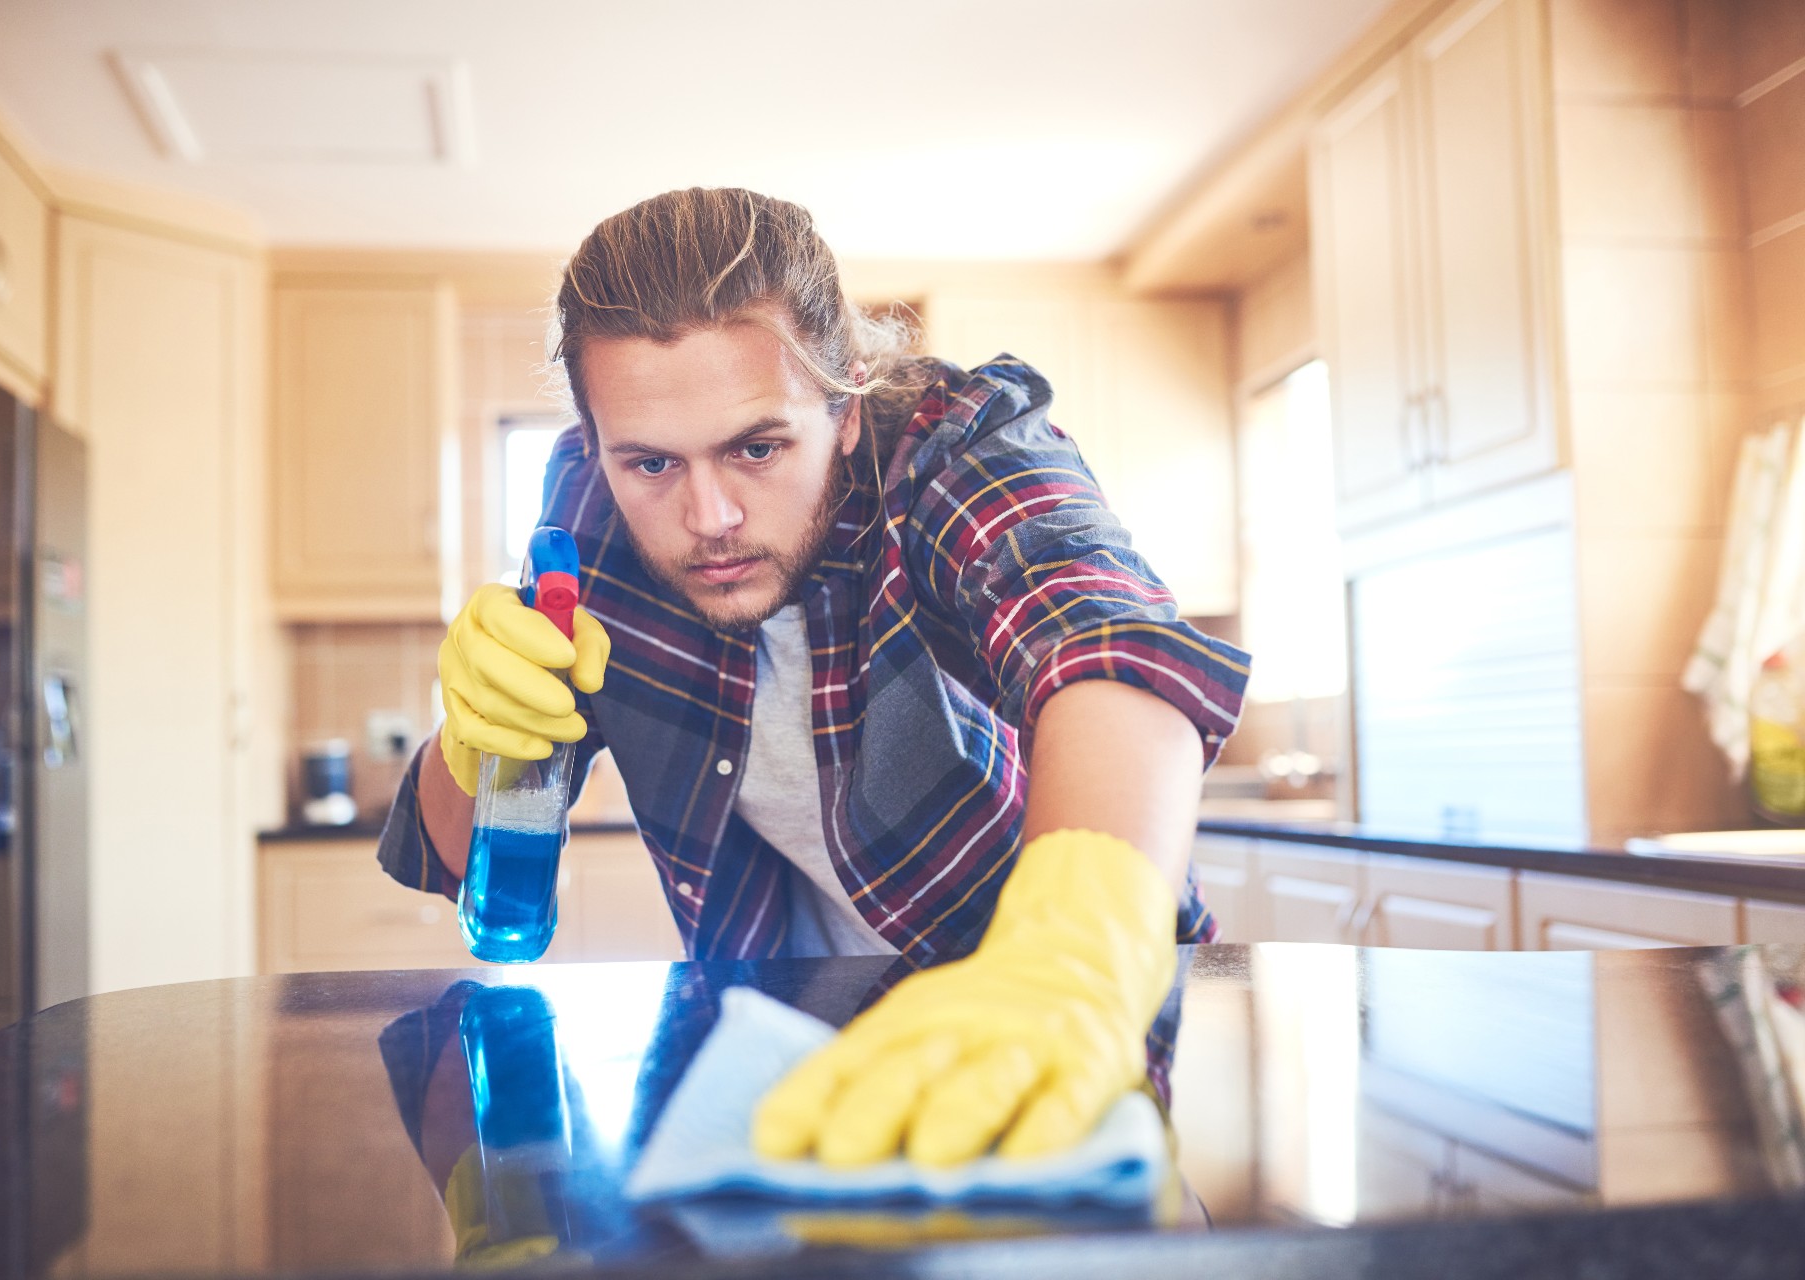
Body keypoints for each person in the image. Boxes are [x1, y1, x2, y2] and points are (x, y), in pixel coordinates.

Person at [376, 187, 1250, 1172]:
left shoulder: (955, 445)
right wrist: (476, 732)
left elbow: (1104, 639)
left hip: (1032, 1035)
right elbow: (451, 858)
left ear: (844, 402)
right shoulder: (587, 505)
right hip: (764, 1070)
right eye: (651, 462)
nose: (709, 514)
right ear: (593, 438)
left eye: (757, 446)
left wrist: (1072, 953)